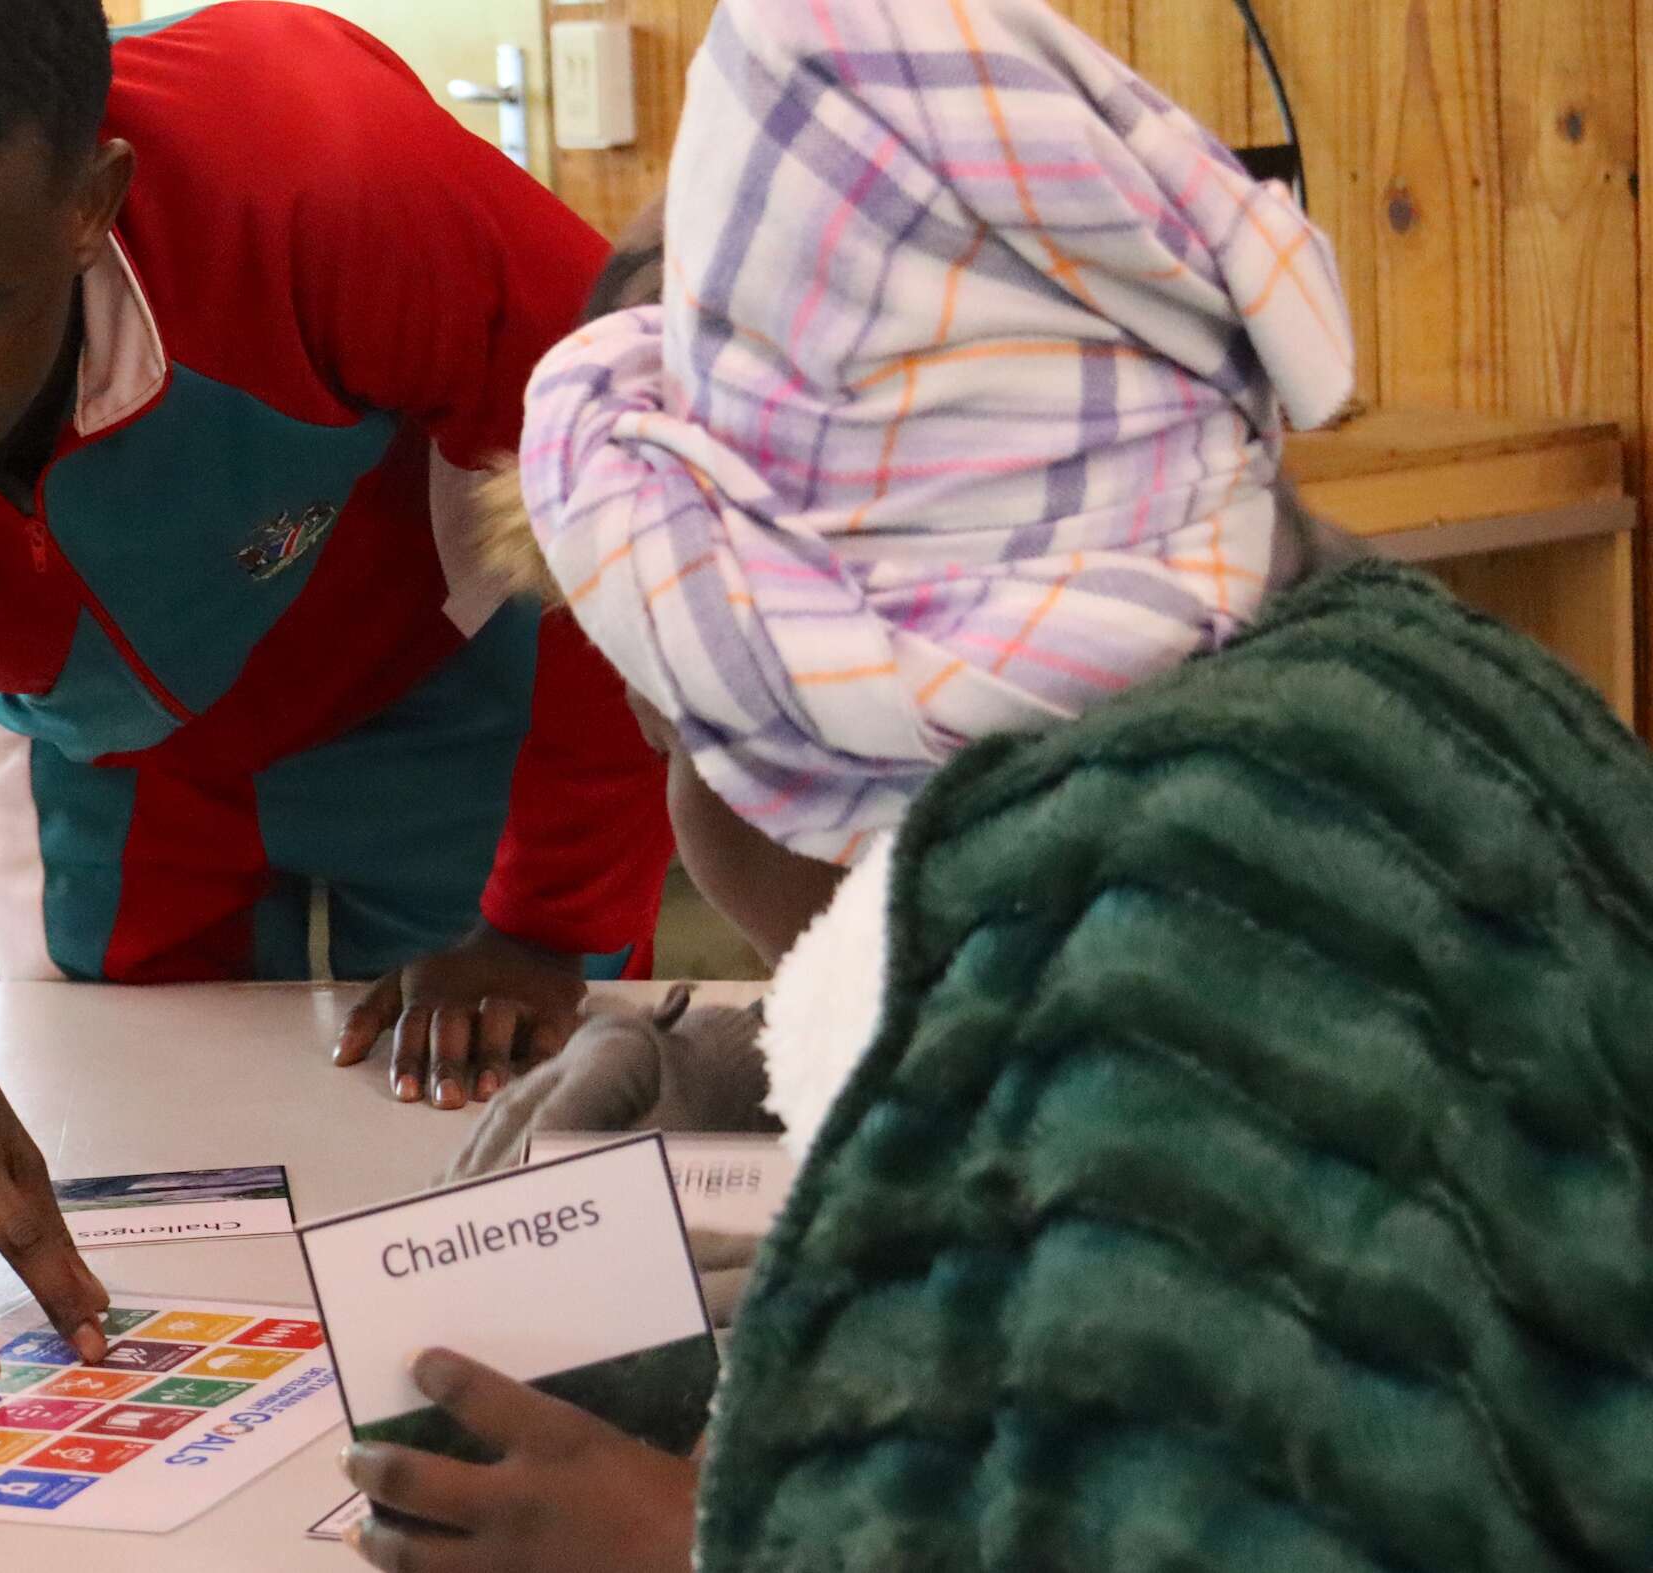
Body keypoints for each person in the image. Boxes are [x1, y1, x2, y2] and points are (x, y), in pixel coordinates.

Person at [327, 1, 1653, 1567]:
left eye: (672, 733)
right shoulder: (1360, 683)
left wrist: (692, 1542)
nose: (667, 780)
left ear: (839, 747)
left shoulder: (1175, 946)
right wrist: (776, 1083)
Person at [0, 0, 672, 1394]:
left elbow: (635, 493)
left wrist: (549, 920)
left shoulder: (325, 173)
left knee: (526, 1205)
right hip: (97, 758)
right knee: (150, 1221)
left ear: (94, 203)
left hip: (457, 688)